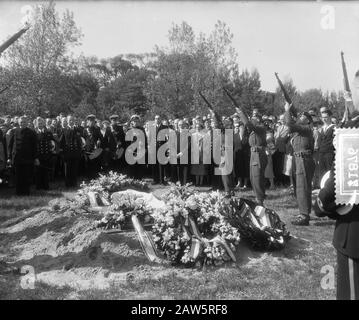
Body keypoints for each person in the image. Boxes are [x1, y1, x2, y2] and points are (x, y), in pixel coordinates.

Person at [284, 103, 315, 226]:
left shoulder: (306, 129)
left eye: (303, 116)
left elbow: (290, 125)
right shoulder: (299, 131)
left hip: (303, 159)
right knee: (300, 187)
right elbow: (291, 126)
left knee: (302, 187)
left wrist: (287, 110)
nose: (300, 117)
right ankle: (304, 212)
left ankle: (304, 215)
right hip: (299, 159)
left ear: (308, 120)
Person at [236, 107, 267, 206]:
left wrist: (241, 113)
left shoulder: (260, 127)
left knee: (257, 177)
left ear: (258, 119)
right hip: (254, 154)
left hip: (258, 154)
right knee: (253, 177)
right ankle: (258, 196)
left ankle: (260, 199)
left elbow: (248, 124)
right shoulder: (253, 131)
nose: (252, 120)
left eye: (254, 118)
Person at [7, 116, 38, 195]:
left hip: (28, 158)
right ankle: (18, 192)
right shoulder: (13, 131)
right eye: (21, 122)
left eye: (24, 122)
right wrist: (9, 157)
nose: (22, 123)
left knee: (27, 176)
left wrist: (36, 158)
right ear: (18, 123)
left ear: (27, 123)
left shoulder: (31, 132)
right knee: (18, 176)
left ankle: (26, 192)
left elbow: (34, 146)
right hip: (17, 158)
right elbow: (10, 145)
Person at [59, 115, 82, 187]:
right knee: (67, 170)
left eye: (72, 120)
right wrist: (63, 153)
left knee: (74, 169)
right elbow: (61, 142)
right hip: (67, 153)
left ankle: (74, 183)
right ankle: (68, 184)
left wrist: (79, 152)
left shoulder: (77, 130)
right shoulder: (64, 130)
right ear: (67, 121)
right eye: (70, 120)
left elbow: (79, 142)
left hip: (75, 153)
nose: (71, 121)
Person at [34, 117, 55, 190]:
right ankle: (39, 187)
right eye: (38, 123)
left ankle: (46, 186)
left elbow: (52, 142)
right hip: (38, 155)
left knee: (46, 172)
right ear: (36, 124)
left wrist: (51, 151)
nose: (40, 124)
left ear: (44, 124)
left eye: (41, 123)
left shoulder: (48, 132)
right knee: (38, 172)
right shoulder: (34, 133)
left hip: (47, 155)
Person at [318, 108, 335, 181]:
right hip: (321, 153)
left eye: (326, 117)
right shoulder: (321, 128)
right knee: (322, 172)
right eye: (323, 118)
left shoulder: (334, 127)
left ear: (330, 117)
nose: (324, 119)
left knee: (329, 172)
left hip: (329, 153)